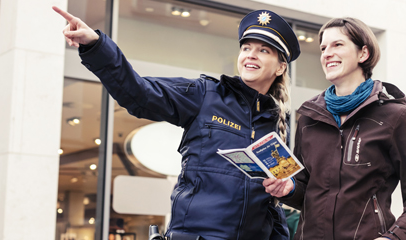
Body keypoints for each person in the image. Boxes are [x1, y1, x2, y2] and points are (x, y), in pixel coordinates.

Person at [53, 6, 300, 240]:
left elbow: (272, 204)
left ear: (280, 67)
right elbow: (139, 94)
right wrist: (97, 46)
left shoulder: (278, 123)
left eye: (263, 50)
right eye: (246, 48)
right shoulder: (205, 95)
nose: (251, 56)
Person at [263, 17, 406, 240]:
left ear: (363, 53)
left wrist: (393, 237)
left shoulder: (396, 116)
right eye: (323, 48)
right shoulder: (308, 117)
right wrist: (288, 189)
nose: (326, 53)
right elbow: (307, 191)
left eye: (338, 45)